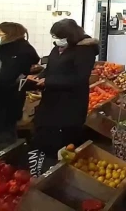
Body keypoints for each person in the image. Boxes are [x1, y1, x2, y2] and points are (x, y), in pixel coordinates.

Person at [28, 19, 99, 159]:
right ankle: (46, 164)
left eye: (59, 37)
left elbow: (80, 78)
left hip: (70, 103)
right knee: (45, 133)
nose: (56, 40)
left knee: (64, 139)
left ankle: (62, 169)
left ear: (70, 35)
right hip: (51, 101)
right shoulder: (57, 48)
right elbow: (50, 68)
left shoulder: (84, 50)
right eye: (54, 36)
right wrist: (39, 77)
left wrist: (49, 81)